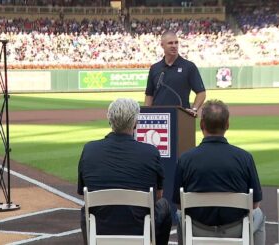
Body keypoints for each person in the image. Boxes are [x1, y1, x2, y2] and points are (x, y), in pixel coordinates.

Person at [77, 98, 172, 245]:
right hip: (141, 228)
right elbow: (158, 196)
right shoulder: (151, 152)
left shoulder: (89, 150)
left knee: (86, 209)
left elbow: (84, 193)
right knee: (164, 205)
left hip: (102, 227)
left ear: (110, 121)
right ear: (135, 123)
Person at [172, 99, 265, 245]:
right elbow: (254, 204)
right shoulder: (245, 158)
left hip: (196, 229)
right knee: (258, 214)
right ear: (227, 125)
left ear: (202, 124)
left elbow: (178, 204)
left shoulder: (185, 159)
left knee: (179, 214)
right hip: (237, 230)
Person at [144, 30, 206, 117]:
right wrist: (146, 114)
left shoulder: (189, 67)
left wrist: (194, 109)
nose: (174, 46)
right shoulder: (155, 68)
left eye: (176, 43)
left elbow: (201, 93)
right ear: (162, 45)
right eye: (170, 43)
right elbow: (149, 95)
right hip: (158, 120)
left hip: (180, 118)